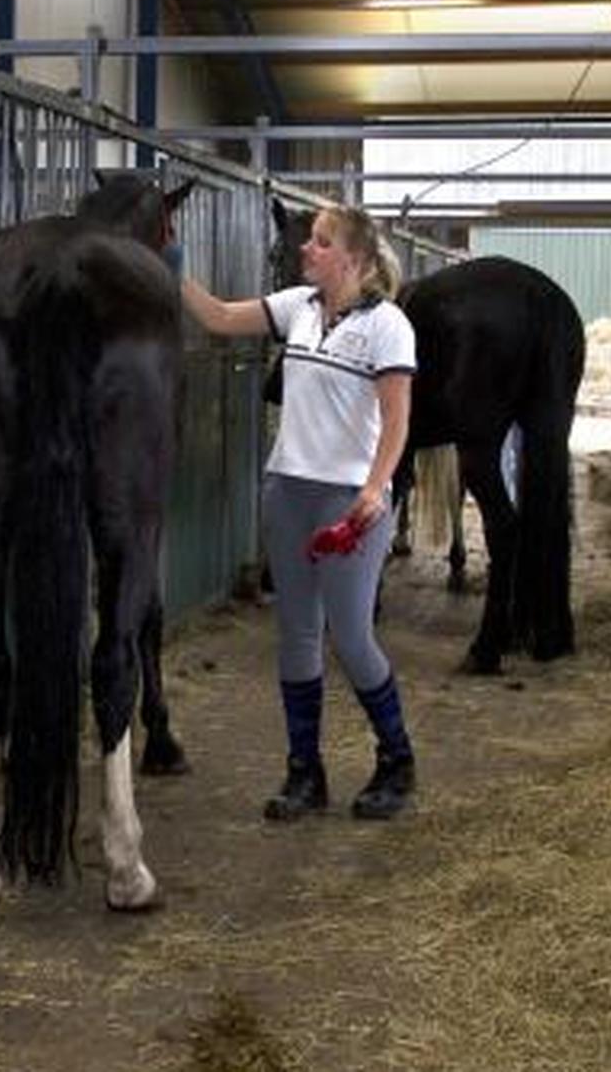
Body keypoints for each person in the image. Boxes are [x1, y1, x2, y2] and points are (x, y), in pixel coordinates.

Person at [180, 204, 418, 821]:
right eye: (310, 241)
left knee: (352, 635)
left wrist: (374, 489)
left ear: (355, 260)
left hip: (348, 500)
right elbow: (216, 316)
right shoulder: (297, 308)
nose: (306, 250)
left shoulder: (388, 326)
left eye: (320, 242)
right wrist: (169, 261)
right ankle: (304, 774)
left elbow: (397, 418)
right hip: (287, 489)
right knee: (297, 634)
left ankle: (396, 759)